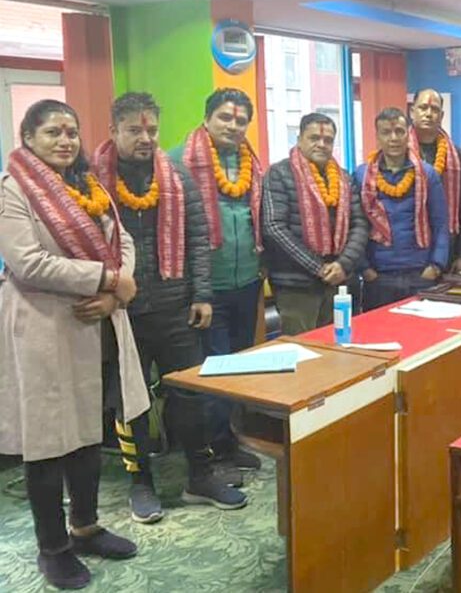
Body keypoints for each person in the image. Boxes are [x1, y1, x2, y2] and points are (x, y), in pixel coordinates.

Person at [0, 100, 148, 589]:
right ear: (28, 137)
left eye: (71, 132)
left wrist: (115, 292)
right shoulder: (13, 188)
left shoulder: (86, 184)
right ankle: (53, 549)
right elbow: (27, 262)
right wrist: (107, 279)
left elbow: (123, 243)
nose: (65, 141)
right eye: (52, 132)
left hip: (94, 323)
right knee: (47, 442)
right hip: (43, 325)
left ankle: (85, 528)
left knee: (87, 431)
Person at [93, 92, 246, 523]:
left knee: (190, 394)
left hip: (177, 307)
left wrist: (202, 295)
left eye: (152, 130)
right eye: (134, 130)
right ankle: (140, 483)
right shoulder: (93, 182)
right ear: (114, 130)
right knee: (130, 400)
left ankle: (200, 475)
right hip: (122, 312)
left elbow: (198, 238)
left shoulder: (177, 177)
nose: (145, 138)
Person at [170, 88, 263, 475]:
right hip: (206, 290)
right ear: (207, 118)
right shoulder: (179, 161)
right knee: (215, 370)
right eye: (225, 117)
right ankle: (210, 454)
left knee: (238, 369)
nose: (233, 125)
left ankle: (228, 442)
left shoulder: (251, 162)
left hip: (247, 282)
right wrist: (197, 290)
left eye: (241, 120)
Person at [263, 113, 369, 334]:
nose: (321, 144)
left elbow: (359, 224)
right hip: (296, 286)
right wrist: (317, 267)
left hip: (338, 282)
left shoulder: (344, 178)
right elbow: (274, 227)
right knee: (302, 349)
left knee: (338, 346)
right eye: (314, 138)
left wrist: (343, 265)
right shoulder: (279, 174)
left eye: (328, 140)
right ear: (299, 139)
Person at [355, 107, 449, 310]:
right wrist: (365, 269)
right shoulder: (362, 176)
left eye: (399, 131)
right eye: (386, 132)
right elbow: (355, 226)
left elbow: (440, 223)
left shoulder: (427, 174)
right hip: (378, 277)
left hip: (420, 274)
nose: (393, 138)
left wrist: (436, 265)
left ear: (408, 134)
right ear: (377, 137)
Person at [408, 88, 461, 271]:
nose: (428, 114)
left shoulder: (458, 156)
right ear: (412, 111)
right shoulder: (399, 153)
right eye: (423, 108)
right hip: (409, 247)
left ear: (442, 116)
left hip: (448, 248)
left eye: (435, 109)